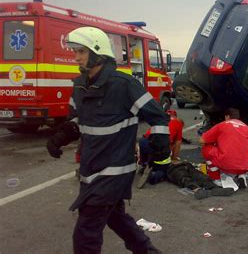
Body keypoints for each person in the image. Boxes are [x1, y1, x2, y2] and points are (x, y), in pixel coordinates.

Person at [46, 27, 168, 254]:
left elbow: (158, 116)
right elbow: (76, 122)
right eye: (75, 51)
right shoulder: (80, 86)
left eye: (81, 51)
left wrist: (162, 152)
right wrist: (59, 138)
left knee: (86, 233)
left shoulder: (124, 85)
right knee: (116, 217)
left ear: (97, 52)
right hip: (91, 168)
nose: (76, 57)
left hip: (115, 170)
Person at [199, 108, 248, 188]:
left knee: (206, 148)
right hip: (246, 166)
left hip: (228, 164)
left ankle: (216, 179)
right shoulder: (247, 128)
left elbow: (202, 140)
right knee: (242, 152)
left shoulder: (222, 125)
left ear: (227, 116)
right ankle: (241, 175)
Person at [136, 109, 183, 188]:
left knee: (145, 146)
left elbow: (146, 136)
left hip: (145, 143)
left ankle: (144, 165)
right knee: (165, 168)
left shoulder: (159, 121)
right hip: (160, 148)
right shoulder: (178, 123)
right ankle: (153, 176)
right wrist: (174, 158)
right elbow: (177, 143)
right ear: (176, 116)